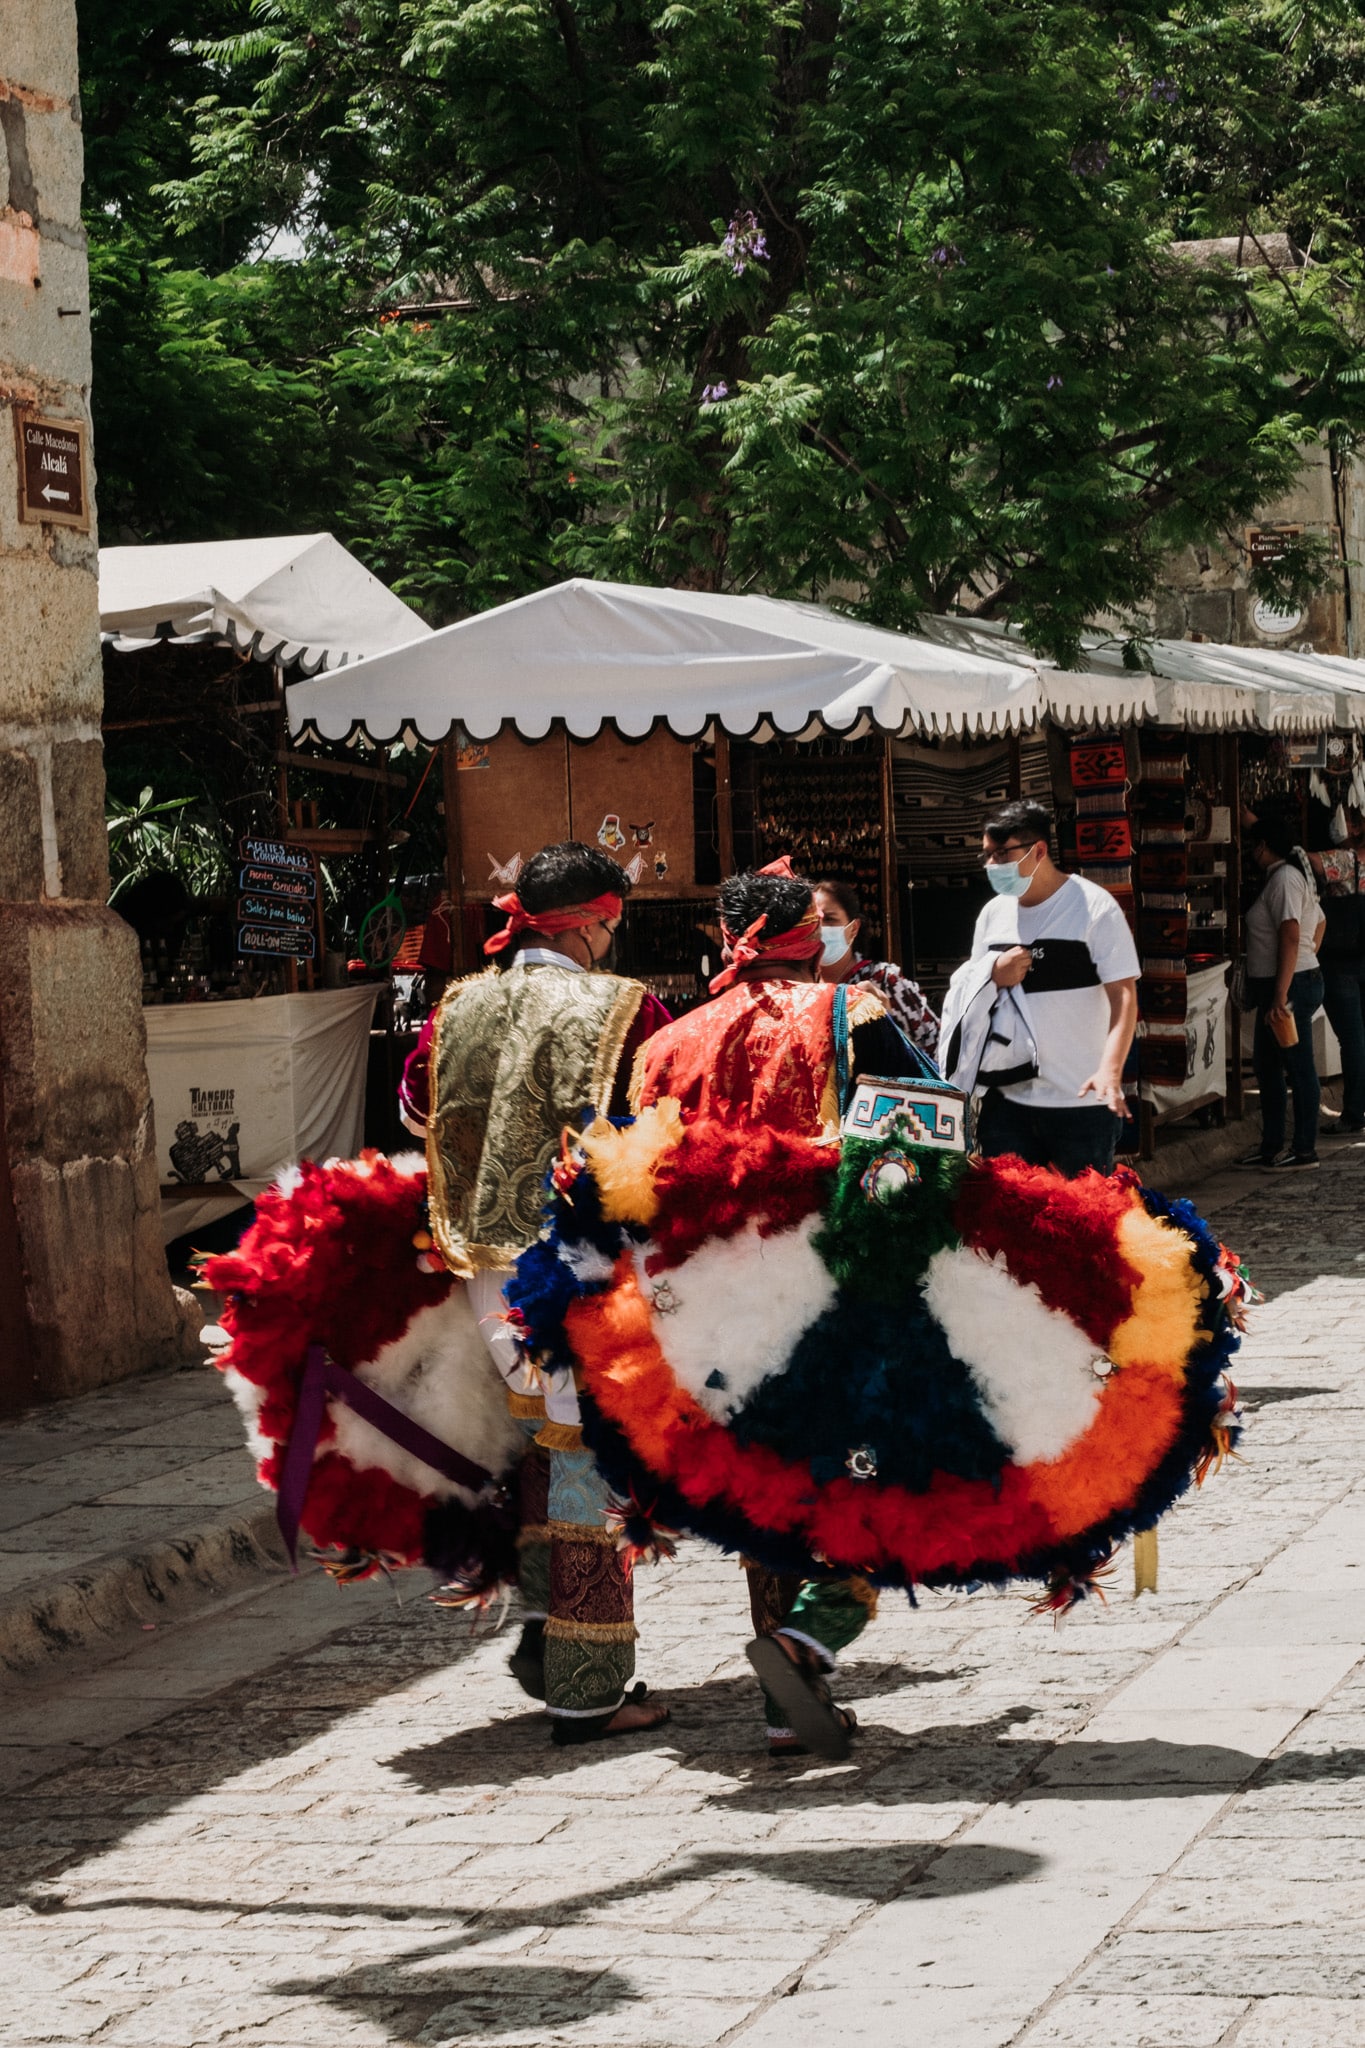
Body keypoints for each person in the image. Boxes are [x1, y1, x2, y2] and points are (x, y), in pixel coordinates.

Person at [633, 858, 935, 1758]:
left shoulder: (664, 1046)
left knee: (765, 1491)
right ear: (810, 935)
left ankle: (785, 1697)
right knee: (865, 1472)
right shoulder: (853, 1015)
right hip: (827, 1295)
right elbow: (932, 1124)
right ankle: (808, 1639)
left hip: (710, 1313)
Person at [416, 841, 672, 1742]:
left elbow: (415, 1107)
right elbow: (659, 1124)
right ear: (594, 920)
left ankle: (541, 1632)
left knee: (533, 1443)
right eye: (614, 920)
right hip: (578, 1265)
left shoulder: (457, 1006)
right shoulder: (624, 1008)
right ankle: (586, 1685)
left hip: (480, 1263)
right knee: (584, 1460)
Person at [942, 799, 1139, 1177]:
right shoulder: (992, 914)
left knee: (1083, 1220)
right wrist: (993, 974)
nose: (992, 866)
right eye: (986, 855)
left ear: (1039, 851)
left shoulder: (1093, 907)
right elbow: (969, 994)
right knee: (1012, 1218)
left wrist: (1111, 1072)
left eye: (1002, 854)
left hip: (1079, 1099)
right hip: (1008, 1099)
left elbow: (1124, 994)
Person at [1236, 806, 1326, 1171]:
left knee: (1298, 1067)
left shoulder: (1286, 879)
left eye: (1254, 845)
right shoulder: (1282, 876)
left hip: (1289, 988)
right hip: (1286, 984)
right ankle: (1272, 1142)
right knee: (1268, 1065)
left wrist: (1281, 993)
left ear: (1264, 846)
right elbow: (1317, 923)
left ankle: (1304, 1148)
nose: (1251, 852)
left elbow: (1291, 935)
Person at [813, 878, 940, 1057]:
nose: (820, 928)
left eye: (830, 920)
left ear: (853, 928)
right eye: (814, 920)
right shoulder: (803, 986)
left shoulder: (883, 980)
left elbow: (935, 1046)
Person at [1307, 808, 1365, 1138]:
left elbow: (1308, 860)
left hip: (1342, 957)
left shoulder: (1345, 861)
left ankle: (1355, 1112)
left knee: (1353, 1040)